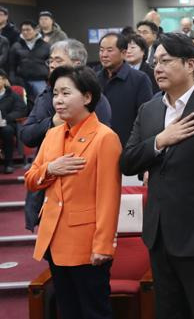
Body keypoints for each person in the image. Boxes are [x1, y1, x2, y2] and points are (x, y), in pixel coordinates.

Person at [120, 33, 194, 319]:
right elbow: (127, 162)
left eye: (165, 61)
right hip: (159, 233)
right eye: (155, 62)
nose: (157, 68)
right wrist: (160, 141)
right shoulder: (150, 110)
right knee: (168, 310)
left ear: (189, 64)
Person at [26, 65, 122, 319]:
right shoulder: (53, 134)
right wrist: (51, 169)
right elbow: (31, 180)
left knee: (94, 311)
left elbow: (108, 197)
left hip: (86, 244)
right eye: (55, 93)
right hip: (54, 239)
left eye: (66, 93)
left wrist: (103, 245)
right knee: (67, 310)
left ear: (87, 97)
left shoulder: (105, 137)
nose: (58, 100)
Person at [21, 39, 112, 232]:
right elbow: (27, 136)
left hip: (82, 201)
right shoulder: (44, 97)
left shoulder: (98, 102)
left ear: (77, 64)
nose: (52, 64)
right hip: (47, 196)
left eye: (58, 60)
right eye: (50, 60)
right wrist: (51, 123)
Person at [96, 32, 153, 146]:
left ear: (123, 53)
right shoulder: (94, 78)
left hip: (128, 146)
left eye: (110, 50)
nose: (104, 55)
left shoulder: (139, 79)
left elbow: (146, 118)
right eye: (101, 50)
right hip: (98, 144)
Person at [9, 20, 50, 99]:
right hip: (21, 80)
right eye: (23, 30)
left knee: (43, 100)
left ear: (35, 30)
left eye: (28, 30)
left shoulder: (46, 46)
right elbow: (11, 65)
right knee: (22, 103)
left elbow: (50, 63)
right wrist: (13, 80)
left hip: (39, 80)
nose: (25, 32)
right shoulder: (16, 46)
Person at [0, 69, 27, 173]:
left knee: (7, 131)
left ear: (3, 80)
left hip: (6, 124)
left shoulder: (12, 94)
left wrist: (6, 118)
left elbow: (21, 110)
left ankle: (8, 164)